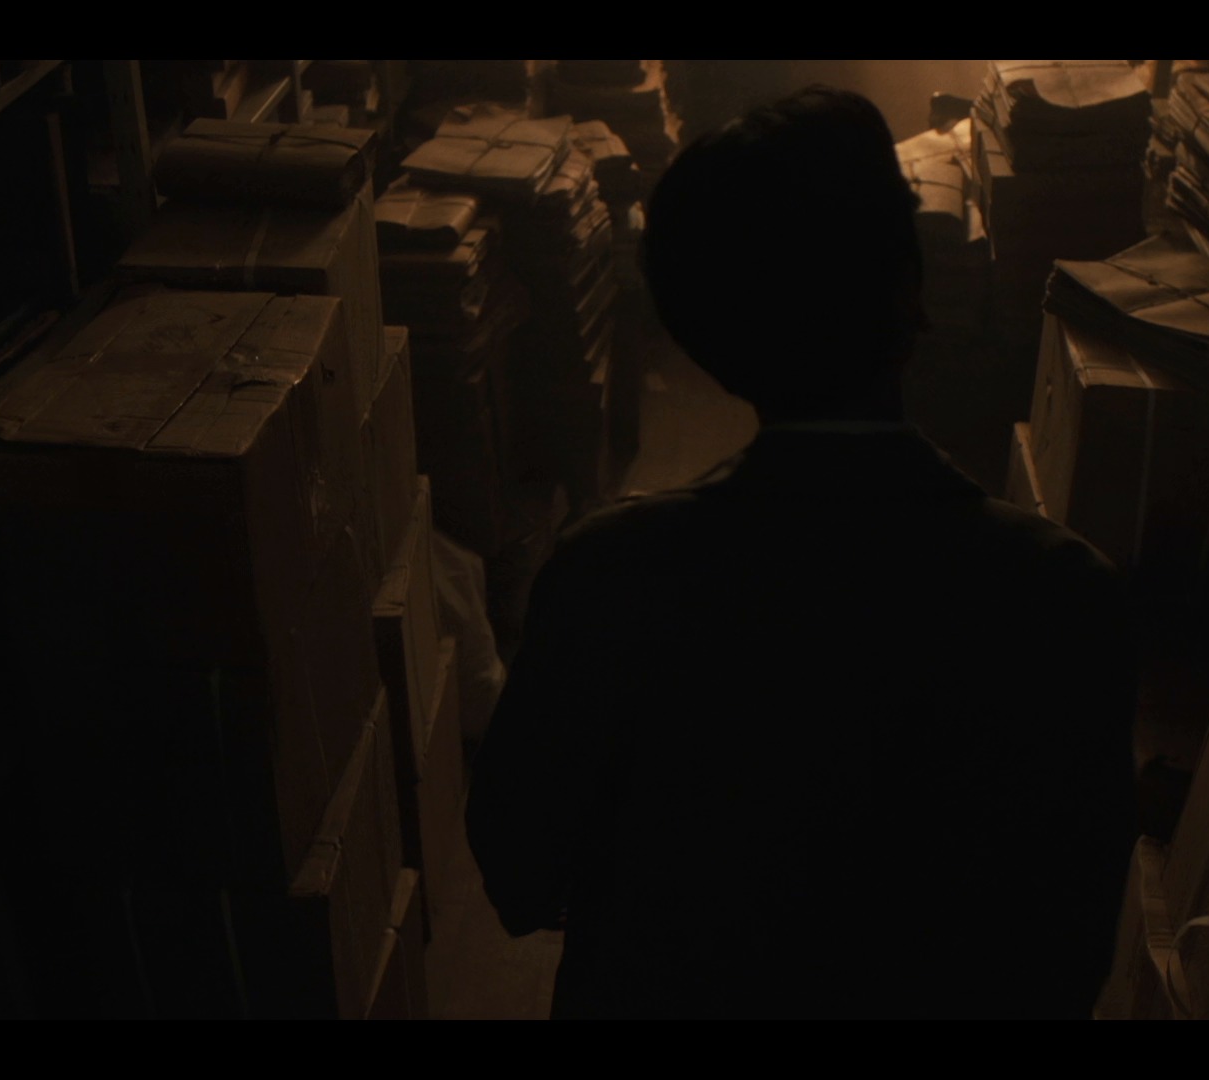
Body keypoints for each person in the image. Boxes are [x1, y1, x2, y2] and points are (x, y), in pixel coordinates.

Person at [465, 86, 1135, 1019]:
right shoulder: (1065, 601)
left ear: (706, 340)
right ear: (913, 294)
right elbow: (1069, 957)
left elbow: (520, 875)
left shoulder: (608, 580)